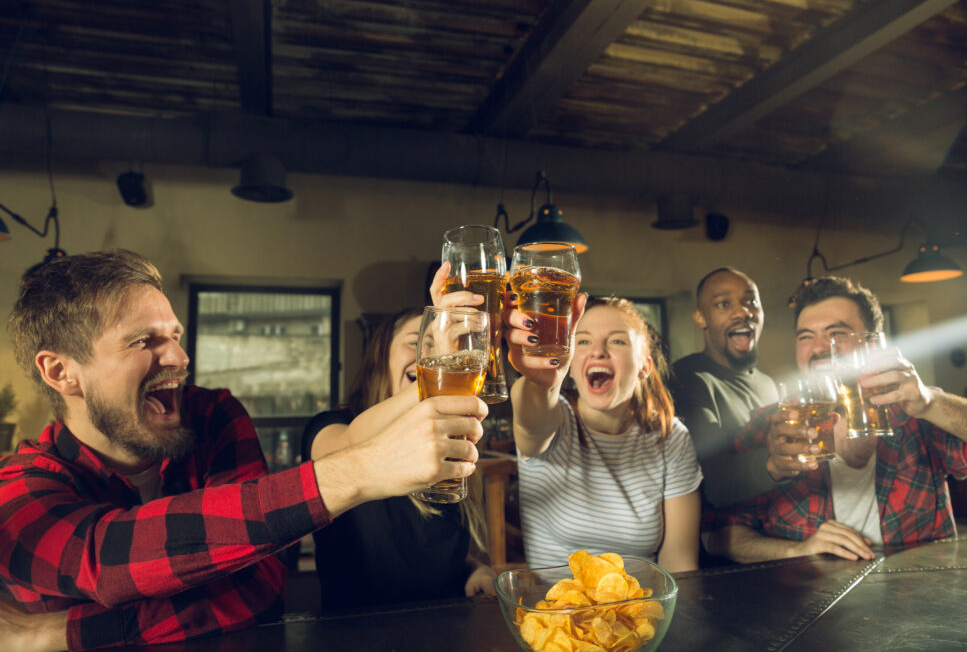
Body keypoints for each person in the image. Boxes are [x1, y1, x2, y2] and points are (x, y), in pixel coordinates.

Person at [0, 250, 485, 651]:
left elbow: (259, 586)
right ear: (61, 373)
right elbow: (105, 561)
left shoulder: (211, 417)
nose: (179, 358)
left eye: (175, 337)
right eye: (142, 341)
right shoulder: (19, 489)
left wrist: (59, 633)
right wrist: (361, 470)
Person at [704, 276, 967, 563]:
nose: (819, 348)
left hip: (920, 604)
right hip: (812, 613)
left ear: (873, 342)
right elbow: (715, 535)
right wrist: (796, 550)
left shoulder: (918, 413)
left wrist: (930, 401)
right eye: (806, 336)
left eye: (836, 333)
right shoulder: (771, 426)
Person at [301, 308, 495, 610]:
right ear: (381, 357)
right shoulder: (330, 424)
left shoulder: (451, 441)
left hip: (446, 632)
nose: (432, 352)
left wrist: (475, 570)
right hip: (354, 636)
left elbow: (436, 547)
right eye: (417, 342)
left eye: (442, 346)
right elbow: (344, 451)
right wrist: (437, 375)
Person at [504, 294, 703, 573]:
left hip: (640, 610)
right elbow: (531, 420)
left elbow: (679, 565)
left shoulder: (671, 437)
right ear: (571, 365)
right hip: (558, 612)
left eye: (617, 341)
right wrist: (540, 382)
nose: (598, 351)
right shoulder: (557, 420)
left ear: (645, 366)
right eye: (583, 341)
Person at [669, 267, 779, 509]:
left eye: (751, 301)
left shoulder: (767, 384)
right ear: (700, 318)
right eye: (723, 304)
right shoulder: (685, 379)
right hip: (720, 540)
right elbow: (711, 480)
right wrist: (779, 463)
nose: (742, 312)